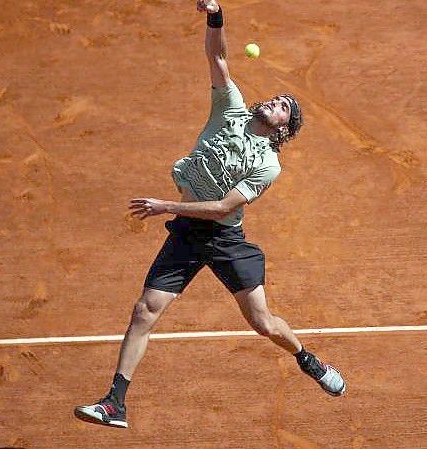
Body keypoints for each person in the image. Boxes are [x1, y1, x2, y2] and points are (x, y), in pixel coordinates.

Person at [74, 0, 346, 429]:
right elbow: (217, 56)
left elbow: (222, 208)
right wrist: (216, 14)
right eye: (276, 99)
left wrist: (165, 206)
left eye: (283, 108)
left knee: (262, 323)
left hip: (222, 239)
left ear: (283, 130)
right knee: (145, 311)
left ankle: (306, 357)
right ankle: (115, 403)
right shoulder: (230, 108)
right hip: (186, 232)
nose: (275, 102)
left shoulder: (268, 165)